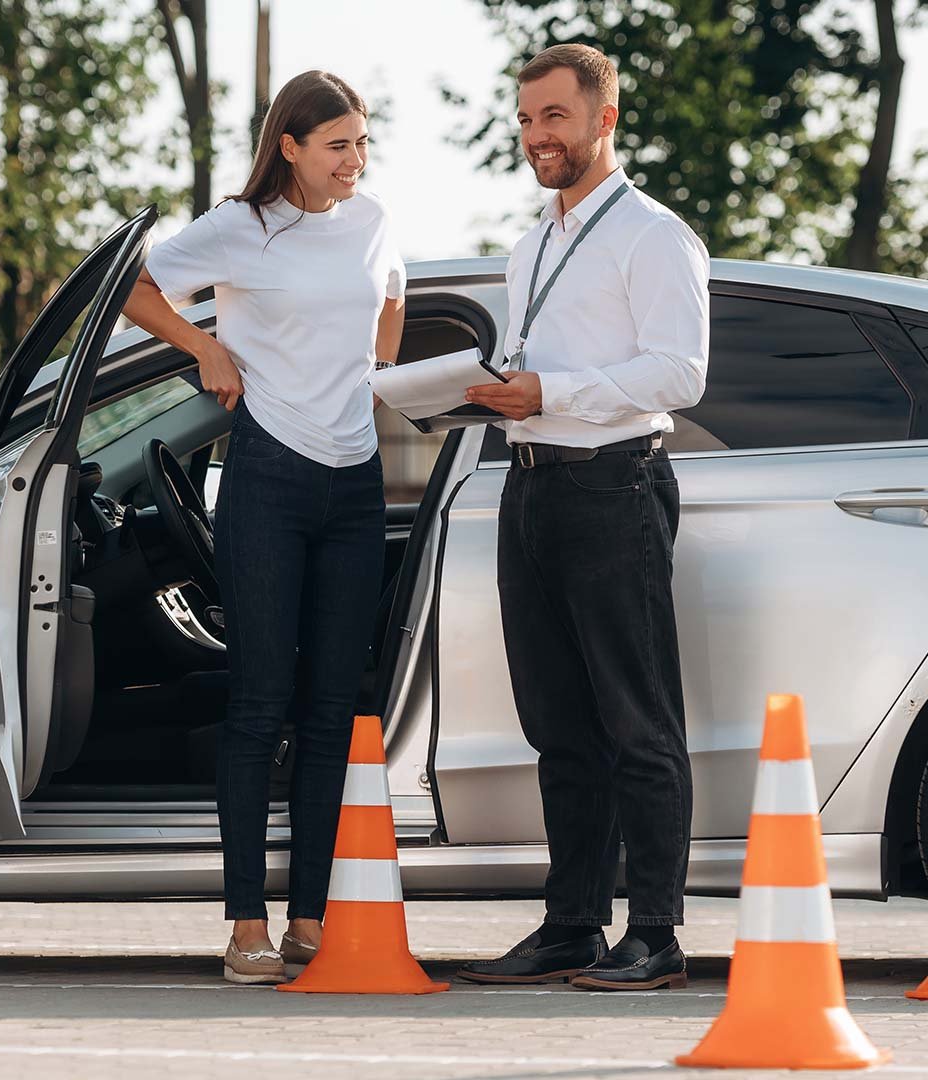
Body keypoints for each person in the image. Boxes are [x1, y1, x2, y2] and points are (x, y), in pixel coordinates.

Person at [122, 70, 406, 985]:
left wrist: (378, 378)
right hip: (269, 477)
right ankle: (247, 922)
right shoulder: (238, 228)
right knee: (257, 703)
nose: (355, 161)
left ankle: (311, 919)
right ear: (290, 146)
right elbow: (134, 287)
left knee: (331, 708)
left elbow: (391, 299)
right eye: (338, 146)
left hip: (355, 484)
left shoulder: (372, 222)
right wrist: (206, 346)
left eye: (362, 143)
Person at [457, 43, 709, 990]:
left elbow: (681, 373)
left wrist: (553, 389)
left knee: (637, 720)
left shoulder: (653, 235)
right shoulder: (532, 246)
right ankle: (572, 927)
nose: (535, 137)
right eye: (525, 119)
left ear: (605, 119)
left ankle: (657, 932)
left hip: (613, 483)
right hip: (531, 485)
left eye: (553, 117)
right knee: (556, 723)